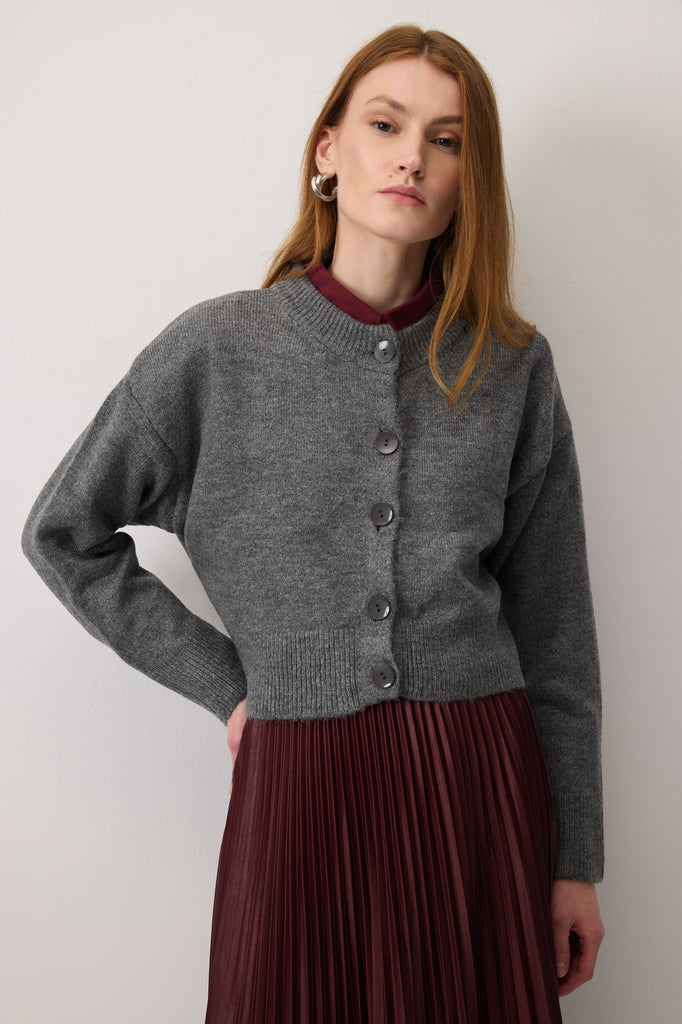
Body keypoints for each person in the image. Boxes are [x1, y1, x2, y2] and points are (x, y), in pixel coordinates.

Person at [21, 24, 605, 1023]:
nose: (412, 156)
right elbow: (63, 532)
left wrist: (574, 860)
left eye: (446, 140)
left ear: (467, 182)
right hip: (298, 781)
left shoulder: (510, 364)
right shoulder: (216, 351)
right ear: (328, 149)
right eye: (385, 124)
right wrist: (226, 687)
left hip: (476, 782)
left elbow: (555, 633)